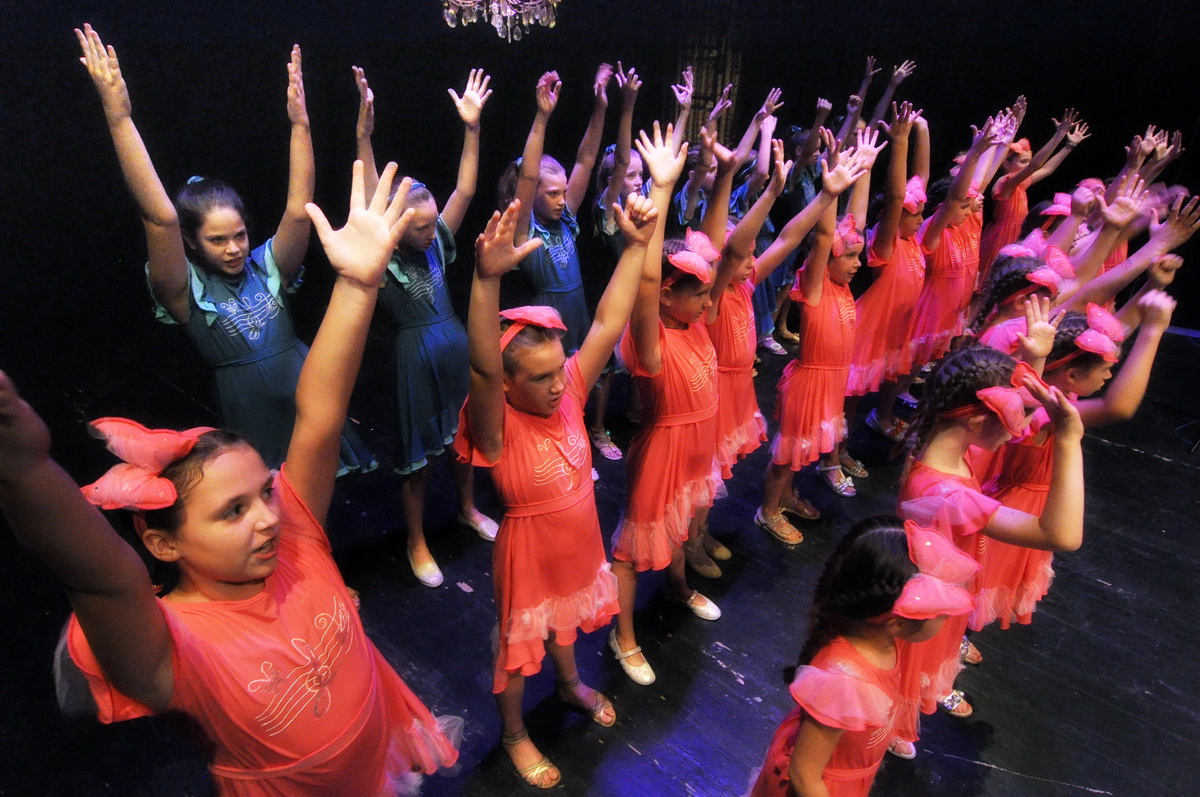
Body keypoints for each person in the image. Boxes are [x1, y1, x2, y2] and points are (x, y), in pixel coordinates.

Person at [0, 159, 459, 795]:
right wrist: (21, 466)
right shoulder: (176, 647)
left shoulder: (293, 536)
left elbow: (318, 421)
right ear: (161, 543)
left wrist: (358, 284)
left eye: (264, 493)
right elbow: (99, 577)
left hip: (375, 755)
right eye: (231, 511)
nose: (270, 515)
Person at [76, 24, 371, 471]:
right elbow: (161, 216)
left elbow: (297, 209)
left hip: (309, 390)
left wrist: (300, 124)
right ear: (192, 243)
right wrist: (119, 117)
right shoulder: (183, 289)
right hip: (252, 414)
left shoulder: (267, 267)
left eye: (239, 235)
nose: (234, 248)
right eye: (217, 240)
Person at [454, 184, 659, 788]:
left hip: (577, 543)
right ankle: (516, 733)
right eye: (538, 377)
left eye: (557, 371)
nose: (554, 385)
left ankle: (569, 686)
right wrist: (486, 279)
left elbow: (606, 321)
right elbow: (482, 366)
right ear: (510, 386)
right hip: (528, 551)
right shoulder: (498, 428)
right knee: (519, 650)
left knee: (567, 623)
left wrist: (635, 248)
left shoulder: (569, 393)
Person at [892, 345, 1084, 755]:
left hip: (943, 595)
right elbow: (1062, 535)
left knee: (931, 652)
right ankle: (889, 724)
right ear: (978, 418)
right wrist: (1070, 440)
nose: (1022, 430)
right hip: (926, 603)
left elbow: (1006, 414)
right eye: (1017, 418)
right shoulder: (950, 496)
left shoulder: (955, 450)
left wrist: (1033, 357)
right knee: (911, 664)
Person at [353, 66, 499, 587]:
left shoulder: (437, 239)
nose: (428, 231)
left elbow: (466, 186)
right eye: (418, 225)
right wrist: (364, 137)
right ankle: (416, 541)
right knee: (418, 459)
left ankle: (465, 507)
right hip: (415, 359)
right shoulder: (386, 251)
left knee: (463, 440)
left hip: (455, 346)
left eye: (431, 222)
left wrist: (472, 128)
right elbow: (373, 195)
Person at [971, 290, 1178, 630]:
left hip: (1034, 505)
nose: (1110, 377)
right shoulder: (1044, 414)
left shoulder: (1058, 396)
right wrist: (1152, 331)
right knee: (982, 582)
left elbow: (1106, 338)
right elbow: (1118, 407)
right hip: (1021, 508)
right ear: (1072, 375)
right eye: (1106, 371)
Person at [608, 121, 724, 686]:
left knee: (680, 527)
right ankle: (623, 634)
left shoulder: (697, 323)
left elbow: (726, 242)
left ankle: (677, 587)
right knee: (633, 548)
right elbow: (647, 276)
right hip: (663, 451)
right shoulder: (652, 340)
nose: (708, 299)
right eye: (697, 290)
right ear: (668, 295)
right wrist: (659, 190)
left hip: (696, 447)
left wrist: (722, 172)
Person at [747, 516, 974, 797]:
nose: (945, 621)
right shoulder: (843, 682)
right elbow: (804, 775)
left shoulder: (884, 639)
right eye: (939, 613)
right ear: (897, 622)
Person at [757, 132, 881, 538]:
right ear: (826, 259)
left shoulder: (843, 287)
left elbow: (854, 226)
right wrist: (831, 181)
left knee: (806, 452)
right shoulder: (816, 286)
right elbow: (826, 237)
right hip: (809, 382)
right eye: (850, 256)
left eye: (859, 255)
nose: (858, 263)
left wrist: (862, 170)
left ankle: (788, 496)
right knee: (788, 454)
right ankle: (769, 509)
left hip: (831, 383)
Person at [501, 66, 612, 357]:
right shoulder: (525, 228)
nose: (562, 200)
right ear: (532, 193)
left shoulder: (564, 219)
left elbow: (586, 160)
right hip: (548, 318)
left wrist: (600, 107)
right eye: (552, 193)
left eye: (564, 192)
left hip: (577, 312)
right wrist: (542, 116)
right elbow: (527, 175)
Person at [845, 103, 929, 444]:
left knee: (874, 391)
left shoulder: (912, 242)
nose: (922, 219)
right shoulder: (885, 244)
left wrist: (922, 130)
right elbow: (897, 196)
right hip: (866, 337)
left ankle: (865, 429)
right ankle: (835, 455)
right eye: (916, 214)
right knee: (848, 402)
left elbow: (920, 177)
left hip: (892, 333)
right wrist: (900, 141)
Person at [977, 110, 1089, 282]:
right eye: (1023, 162)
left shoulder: (1020, 183)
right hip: (1002, 237)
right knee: (990, 281)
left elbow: (1047, 169)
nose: (1027, 165)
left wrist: (1069, 145)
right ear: (1006, 163)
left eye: (1028, 161)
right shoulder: (1006, 182)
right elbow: (1037, 165)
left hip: (1016, 234)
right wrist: (1058, 135)